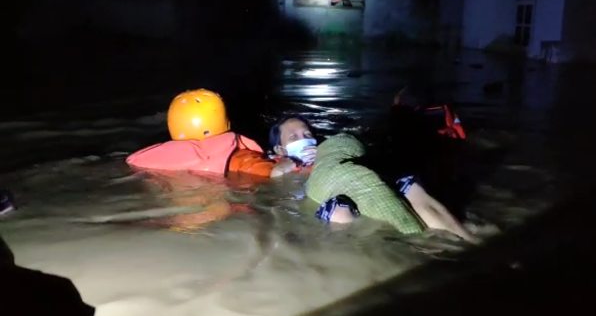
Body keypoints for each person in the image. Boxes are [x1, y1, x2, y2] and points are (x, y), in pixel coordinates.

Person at [268, 116, 478, 243]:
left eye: (307, 134)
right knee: (338, 209)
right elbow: (275, 177)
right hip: (332, 199)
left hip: (362, 182)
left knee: (409, 185)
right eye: (294, 137)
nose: (304, 139)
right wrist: (293, 161)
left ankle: (468, 239)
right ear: (279, 148)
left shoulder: (329, 150)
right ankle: (403, 252)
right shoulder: (280, 164)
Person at [126, 89, 295, 178]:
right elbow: (273, 173)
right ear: (225, 122)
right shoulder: (237, 157)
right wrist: (286, 164)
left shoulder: (149, 159)